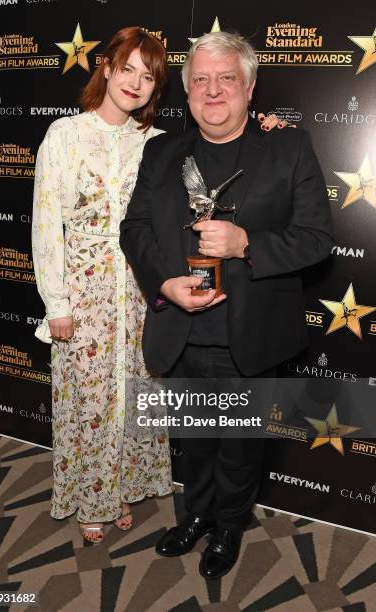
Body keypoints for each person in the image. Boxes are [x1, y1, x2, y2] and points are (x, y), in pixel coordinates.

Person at [32, 26, 288, 545]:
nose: (135, 83)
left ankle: (123, 488)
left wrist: (268, 132)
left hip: (146, 293)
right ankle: (92, 497)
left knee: (137, 398)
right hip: (86, 297)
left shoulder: (158, 145)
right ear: (105, 66)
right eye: (126, 68)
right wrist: (55, 301)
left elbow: (224, 152)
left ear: (157, 89)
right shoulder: (63, 134)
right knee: (89, 401)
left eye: (148, 77)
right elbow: (45, 224)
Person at [120, 31, 334, 578]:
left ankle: (229, 528)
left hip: (252, 334)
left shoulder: (289, 147)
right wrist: (163, 284)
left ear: (249, 87)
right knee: (192, 440)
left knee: (239, 446)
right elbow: (135, 228)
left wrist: (247, 245)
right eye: (200, 81)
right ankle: (195, 517)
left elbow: (315, 238)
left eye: (226, 79)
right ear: (187, 92)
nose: (213, 91)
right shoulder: (162, 151)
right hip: (181, 328)